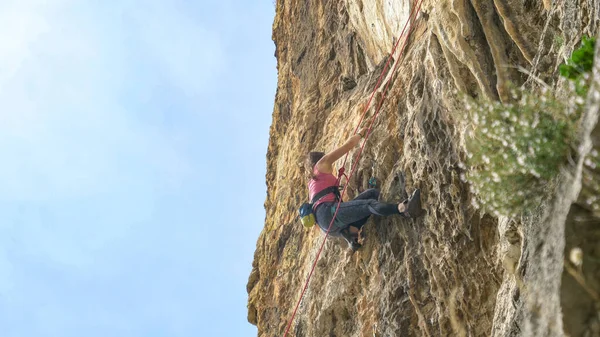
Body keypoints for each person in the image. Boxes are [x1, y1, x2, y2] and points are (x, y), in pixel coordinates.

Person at [306, 127, 423, 251]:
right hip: (329, 213)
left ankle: (352, 233)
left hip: (327, 227)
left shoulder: (311, 183)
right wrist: (361, 133)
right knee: (368, 205)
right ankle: (403, 208)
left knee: (371, 194)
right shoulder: (321, 164)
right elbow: (348, 145)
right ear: (319, 159)